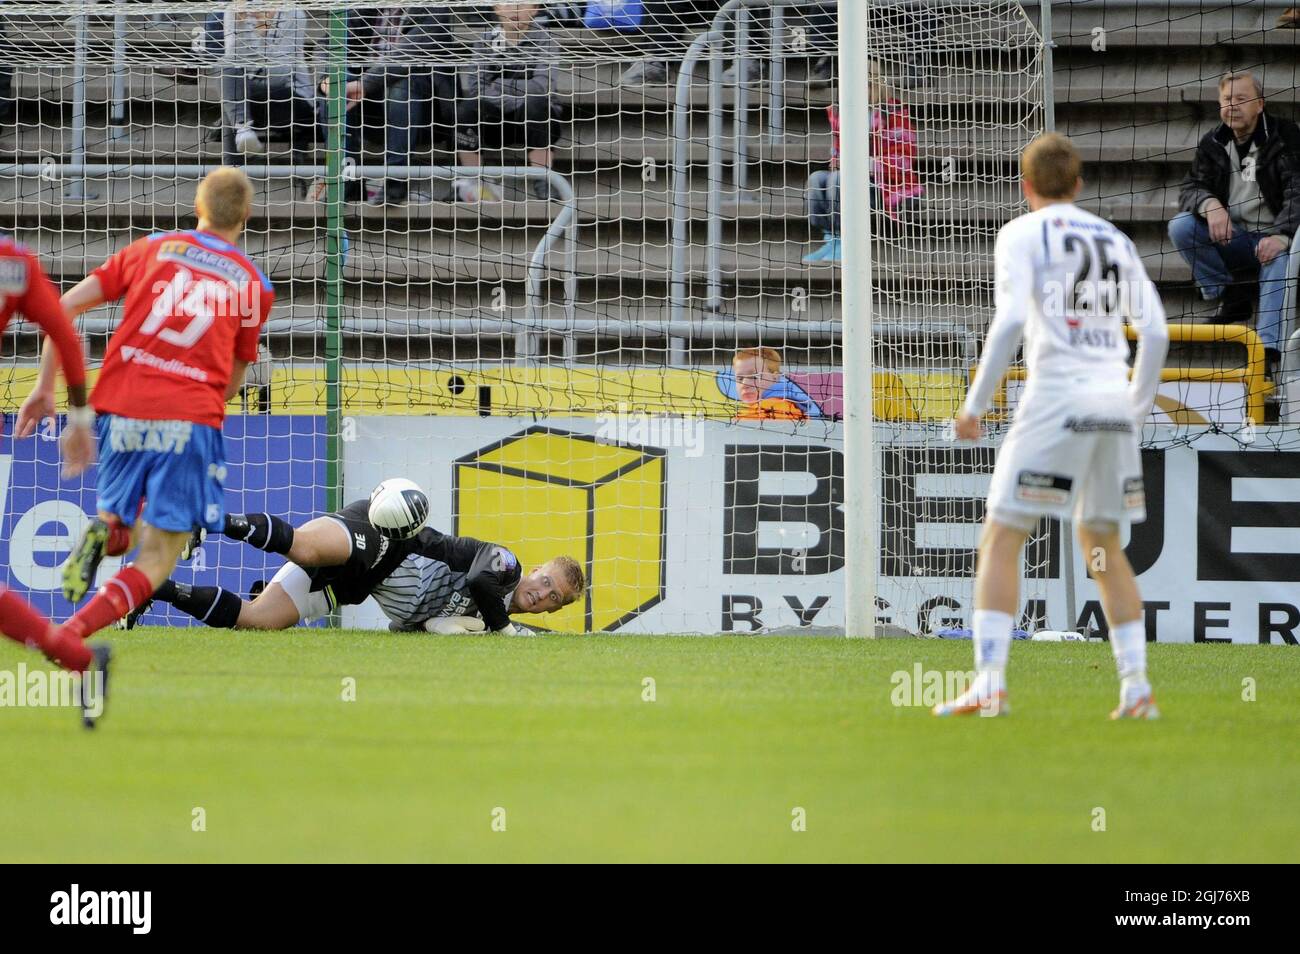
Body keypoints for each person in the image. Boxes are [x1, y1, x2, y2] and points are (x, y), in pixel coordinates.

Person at [17, 168, 273, 725]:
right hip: (188, 417)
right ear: (246, 218)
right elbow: (233, 377)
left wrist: (45, 387)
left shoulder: (149, 249)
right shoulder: (253, 285)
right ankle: (72, 634)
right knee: (157, 558)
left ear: (196, 207)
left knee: (119, 530)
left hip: (118, 405)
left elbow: (64, 309)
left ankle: (103, 527)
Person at [935, 132, 1169, 720]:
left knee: (1003, 534)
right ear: (1080, 184)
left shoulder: (1020, 233)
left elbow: (1011, 319)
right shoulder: (1113, 238)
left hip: (1056, 398)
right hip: (1112, 404)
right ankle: (1136, 688)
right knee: (1101, 545)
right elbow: (1158, 333)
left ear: (1026, 185)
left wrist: (975, 406)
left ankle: (989, 682)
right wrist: (1133, 409)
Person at [126, 497, 586, 633]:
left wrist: (430, 630)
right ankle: (207, 521)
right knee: (305, 548)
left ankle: (157, 589)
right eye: (546, 581)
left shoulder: (502, 632)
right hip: (383, 539)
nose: (542, 593)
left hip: (353, 586)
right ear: (536, 567)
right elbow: (480, 579)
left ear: (553, 609)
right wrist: (500, 628)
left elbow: (403, 630)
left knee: (256, 621)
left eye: (553, 598)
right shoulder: (506, 567)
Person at [0, 236, 100, 721]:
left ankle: (80, 659)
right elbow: (64, 331)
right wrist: (76, 417)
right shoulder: (11, 262)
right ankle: (79, 659)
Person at [1167, 71, 1300, 372]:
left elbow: (1298, 190)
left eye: (1242, 99)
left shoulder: (1286, 135)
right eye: (1227, 99)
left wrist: (1282, 235)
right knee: (1182, 225)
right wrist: (1210, 205)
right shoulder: (1213, 142)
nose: (1233, 106)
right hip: (1236, 238)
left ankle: (1267, 352)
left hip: (1278, 239)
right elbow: (1190, 188)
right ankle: (1227, 293)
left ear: (1260, 105)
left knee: (1278, 258)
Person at [333, 7, 462, 206]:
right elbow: (330, 44)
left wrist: (364, 84)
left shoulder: (435, 8)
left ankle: (395, 182)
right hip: (373, 104)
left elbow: (407, 55)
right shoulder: (364, 7)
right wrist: (330, 81)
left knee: (401, 84)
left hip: (427, 113)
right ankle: (348, 183)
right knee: (335, 92)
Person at [803, 64, 923, 264]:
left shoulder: (894, 112)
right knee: (817, 179)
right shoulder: (841, 114)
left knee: (839, 180)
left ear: (875, 85)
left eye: (865, 85)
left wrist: (867, 164)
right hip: (851, 180)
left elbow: (903, 159)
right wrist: (840, 162)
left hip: (886, 185)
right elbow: (837, 154)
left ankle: (848, 241)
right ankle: (832, 238)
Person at [455, 2, 563, 203]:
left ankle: (542, 180)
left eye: (522, 5)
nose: (515, 11)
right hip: (497, 121)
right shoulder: (485, 40)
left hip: (533, 119)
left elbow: (542, 85)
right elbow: (477, 86)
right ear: (496, 9)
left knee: (537, 103)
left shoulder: (545, 40)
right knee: (468, 107)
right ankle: (472, 180)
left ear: (534, 9)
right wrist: (511, 100)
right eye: (508, 4)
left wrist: (500, 84)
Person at [220, 6, 319, 165]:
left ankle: (232, 168)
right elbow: (234, 61)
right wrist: (241, 25)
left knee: (233, 98)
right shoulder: (234, 11)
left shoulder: (294, 13)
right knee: (227, 73)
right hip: (253, 94)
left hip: (293, 96)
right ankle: (242, 129)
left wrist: (261, 28)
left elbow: (279, 73)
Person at [728, 347, 822, 420]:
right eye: (739, 378)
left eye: (754, 376)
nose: (744, 384)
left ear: (775, 378)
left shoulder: (771, 408)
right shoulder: (790, 405)